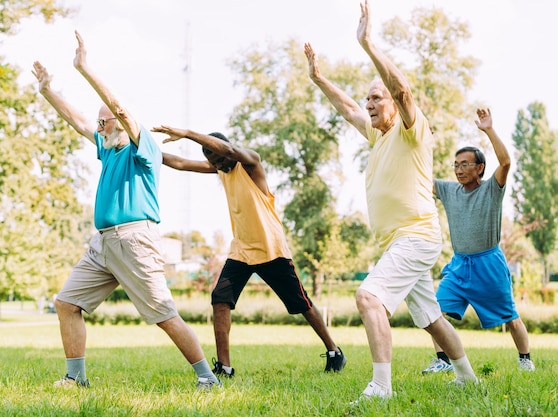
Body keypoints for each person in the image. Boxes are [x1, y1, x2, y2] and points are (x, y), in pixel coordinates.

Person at [304, 0, 477, 400]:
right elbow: (347, 108)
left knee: (368, 297)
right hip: (400, 240)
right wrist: (318, 79)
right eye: (368, 99)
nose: (369, 104)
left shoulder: (412, 130)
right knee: (431, 318)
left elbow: (401, 89)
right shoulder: (377, 135)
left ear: (394, 105)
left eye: (376, 99)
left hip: (415, 235)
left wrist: (368, 44)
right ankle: (468, 378)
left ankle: (381, 387)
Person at [32, 31, 221, 390]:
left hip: (135, 240)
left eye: (104, 122)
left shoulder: (143, 147)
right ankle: (75, 378)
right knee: (67, 302)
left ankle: (206, 378)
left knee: (163, 315)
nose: (98, 127)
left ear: (121, 122)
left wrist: (84, 69)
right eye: (99, 123)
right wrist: (47, 91)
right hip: (103, 244)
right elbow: (76, 120)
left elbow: (117, 106)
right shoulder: (107, 147)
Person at [153, 126, 346, 377]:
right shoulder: (220, 169)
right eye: (214, 162)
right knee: (220, 299)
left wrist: (188, 133)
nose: (220, 165)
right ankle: (225, 367)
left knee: (301, 303)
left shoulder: (251, 163)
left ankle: (333, 351)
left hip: (271, 249)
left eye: (221, 159)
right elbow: (180, 162)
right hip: (241, 251)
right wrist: (143, 148)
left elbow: (230, 150)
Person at [422, 108, 535, 375]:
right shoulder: (450, 191)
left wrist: (489, 130)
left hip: (489, 264)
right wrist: (423, 142)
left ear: (479, 168)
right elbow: (421, 177)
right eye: (456, 165)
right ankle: (443, 360)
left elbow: (506, 163)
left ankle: (525, 358)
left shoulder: (491, 189)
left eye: (465, 164)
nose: (459, 169)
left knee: (511, 318)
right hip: (460, 265)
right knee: (435, 311)